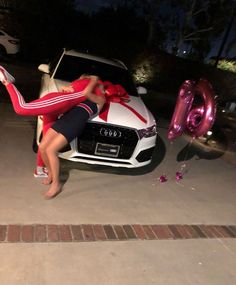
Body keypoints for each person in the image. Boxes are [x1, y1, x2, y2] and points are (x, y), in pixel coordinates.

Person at [0, 65, 104, 176]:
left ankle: (40, 170)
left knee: (45, 141)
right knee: (21, 108)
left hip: (60, 106)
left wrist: (67, 88)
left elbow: (72, 89)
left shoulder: (84, 82)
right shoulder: (93, 83)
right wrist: (95, 80)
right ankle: (7, 81)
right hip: (60, 101)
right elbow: (83, 93)